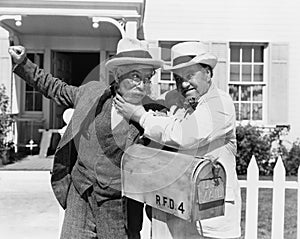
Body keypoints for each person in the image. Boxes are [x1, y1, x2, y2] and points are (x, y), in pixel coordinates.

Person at [8, 38, 165, 239]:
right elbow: (55, 88)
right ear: (117, 74)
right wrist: (23, 64)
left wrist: (140, 115)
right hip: (80, 195)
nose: (142, 83)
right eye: (135, 75)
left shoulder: (153, 115)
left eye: (147, 77)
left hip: (119, 208)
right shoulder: (92, 93)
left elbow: (172, 140)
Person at [114, 41, 241, 238]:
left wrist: (140, 116)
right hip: (175, 213)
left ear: (207, 73)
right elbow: (149, 104)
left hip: (211, 219)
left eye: (190, 75)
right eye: (177, 78)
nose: (184, 84)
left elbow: (184, 135)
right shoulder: (174, 98)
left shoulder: (220, 103)